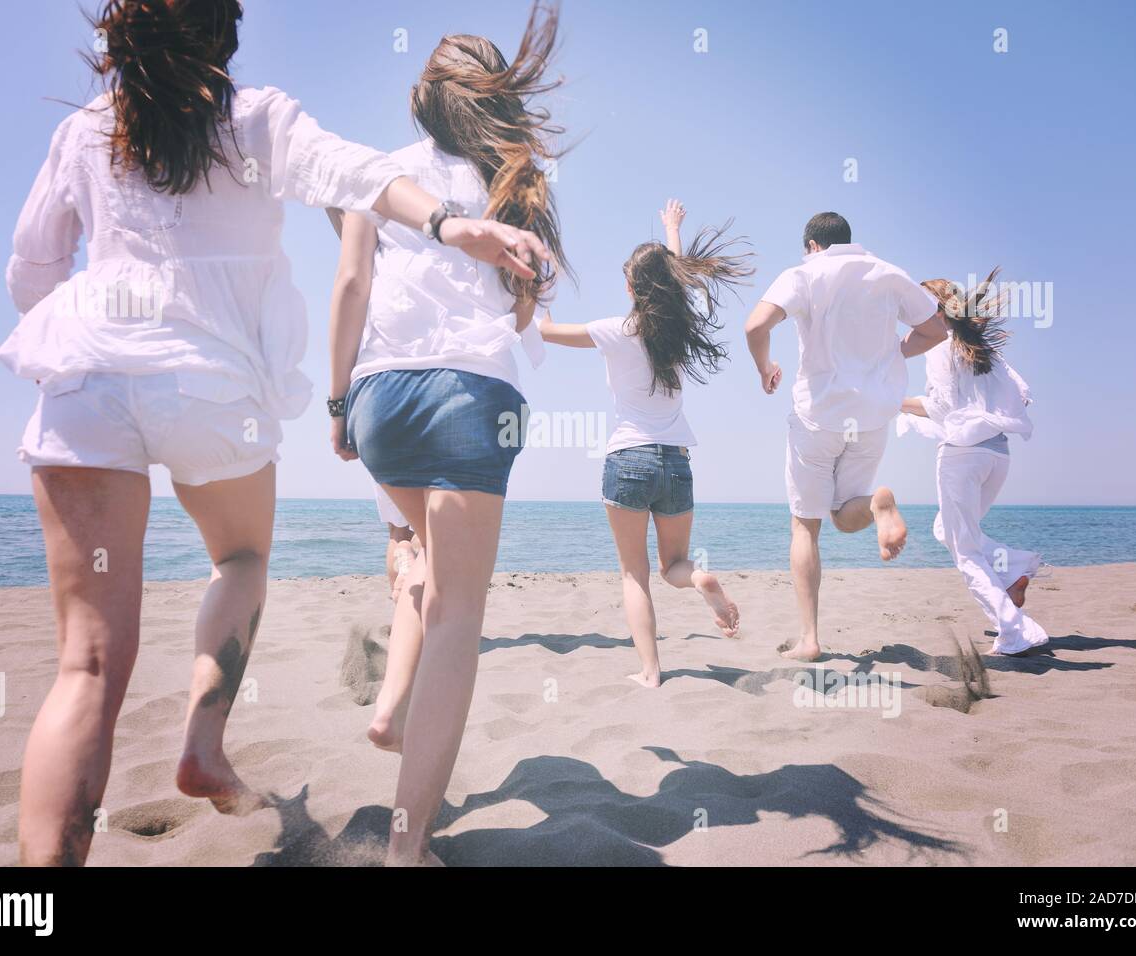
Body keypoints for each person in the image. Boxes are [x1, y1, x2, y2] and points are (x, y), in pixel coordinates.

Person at [0, 0, 548, 867]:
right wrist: (449, 223)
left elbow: (31, 269)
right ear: (226, 37)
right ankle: (219, 744)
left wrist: (84, 340)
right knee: (246, 560)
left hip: (88, 379)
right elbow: (351, 173)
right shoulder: (256, 119)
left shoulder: (86, 133)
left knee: (87, 672)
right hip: (215, 389)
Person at [326, 2, 569, 864]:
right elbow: (525, 303)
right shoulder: (517, 189)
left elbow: (351, 286)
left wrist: (335, 404)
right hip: (474, 399)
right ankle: (406, 843)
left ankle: (392, 704)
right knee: (461, 613)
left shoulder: (375, 172)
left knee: (426, 566)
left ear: (422, 100)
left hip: (381, 399)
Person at [539, 199, 748, 687]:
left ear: (631, 288)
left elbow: (545, 332)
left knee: (634, 576)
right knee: (673, 564)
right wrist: (673, 232)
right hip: (676, 461)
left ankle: (651, 672)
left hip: (628, 458)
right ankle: (699, 579)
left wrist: (540, 281)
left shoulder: (616, 330)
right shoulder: (681, 332)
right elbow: (676, 286)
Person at [744, 212, 945, 662]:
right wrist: (895, 350)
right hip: (873, 417)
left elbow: (755, 326)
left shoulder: (805, 273)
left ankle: (810, 639)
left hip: (818, 417)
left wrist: (765, 367)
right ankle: (878, 503)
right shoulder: (889, 274)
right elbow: (936, 329)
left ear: (813, 245)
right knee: (844, 513)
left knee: (806, 527)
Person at [898, 269, 1048, 655]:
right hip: (997, 454)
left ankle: (1014, 631)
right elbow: (1023, 394)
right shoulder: (981, 347)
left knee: (964, 551)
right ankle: (1014, 568)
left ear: (935, 312)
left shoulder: (938, 348)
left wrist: (896, 402)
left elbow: (941, 406)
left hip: (962, 456)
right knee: (946, 531)